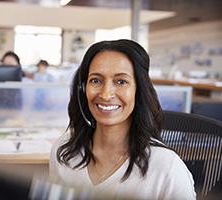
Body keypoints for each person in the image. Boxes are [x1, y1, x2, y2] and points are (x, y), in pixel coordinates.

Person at [49, 39, 196, 199]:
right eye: (96, 80)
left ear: (138, 90)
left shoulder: (167, 169)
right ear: (83, 89)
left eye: (121, 81)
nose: (106, 94)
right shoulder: (64, 152)